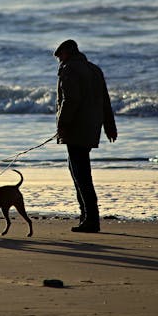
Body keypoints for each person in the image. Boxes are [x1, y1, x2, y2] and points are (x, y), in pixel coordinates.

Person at [54, 39, 117, 233]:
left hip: (75, 127)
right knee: (80, 171)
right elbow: (105, 100)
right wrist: (109, 126)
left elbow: (70, 100)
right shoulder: (94, 69)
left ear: (66, 53)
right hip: (91, 127)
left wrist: (62, 124)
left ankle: (90, 219)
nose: (58, 60)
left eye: (59, 56)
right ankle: (86, 216)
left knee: (80, 174)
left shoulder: (70, 69)